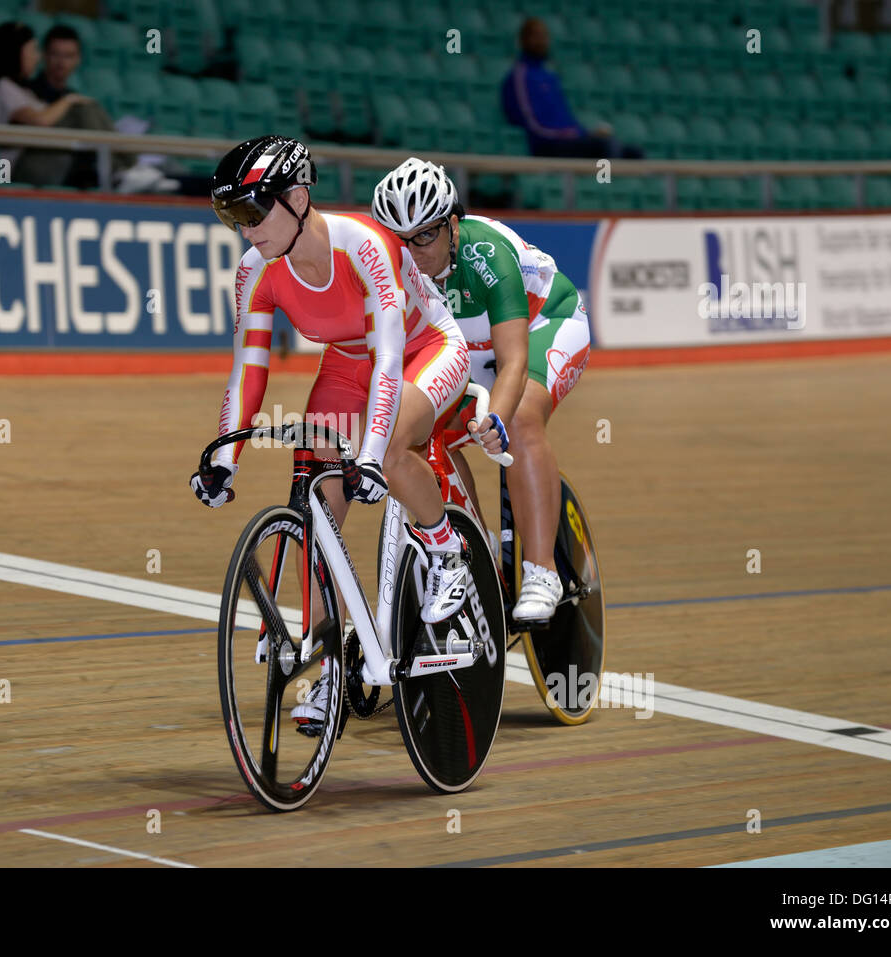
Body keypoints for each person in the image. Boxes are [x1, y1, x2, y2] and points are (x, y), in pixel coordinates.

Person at [192, 136, 474, 724]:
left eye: (252, 211)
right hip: (348, 363)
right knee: (321, 512)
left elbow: (391, 359)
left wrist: (370, 454)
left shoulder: (363, 246)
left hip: (425, 346)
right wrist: (225, 461)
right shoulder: (256, 271)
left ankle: (449, 551)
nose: (246, 230)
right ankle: (330, 669)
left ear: (298, 198)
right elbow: (249, 370)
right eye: (231, 217)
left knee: (393, 451)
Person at [371, 158, 591, 622]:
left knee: (520, 418)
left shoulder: (485, 254)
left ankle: (541, 571)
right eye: (400, 240)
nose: (413, 252)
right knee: (419, 438)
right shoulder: (390, 271)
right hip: (469, 351)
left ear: (453, 225)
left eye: (425, 235)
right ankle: (478, 549)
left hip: (544, 324)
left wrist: (495, 418)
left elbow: (512, 361)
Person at [0, 21, 123, 188]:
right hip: (9, 169)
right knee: (82, 109)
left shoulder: (19, 90)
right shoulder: (1, 86)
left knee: (87, 108)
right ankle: (123, 171)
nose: (37, 57)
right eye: (32, 51)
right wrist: (69, 100)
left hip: (34, 163)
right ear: (15, 53)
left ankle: (126, 169)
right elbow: (41, 121)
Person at [500, 17, 644, 160]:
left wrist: (586, 134)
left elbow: (566, 118)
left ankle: (611, 182)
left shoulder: (550, 77)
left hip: (568, 140)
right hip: (547, 144)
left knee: (634, 153)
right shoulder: (519, 76)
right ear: (523, 40)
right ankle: (604, 183)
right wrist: (565, 134)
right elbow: (530, 122)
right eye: (536, 36)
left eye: (544, 36)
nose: (542, 41)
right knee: (606, 147)